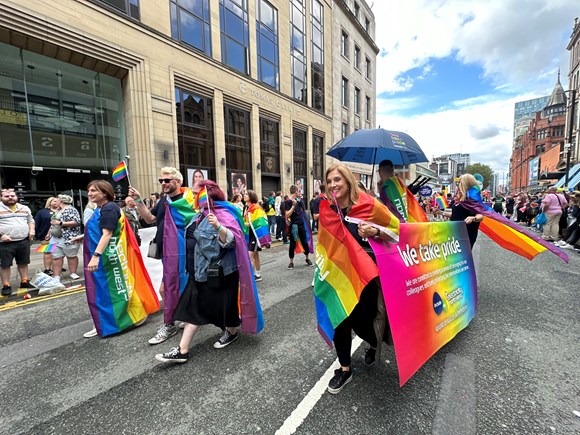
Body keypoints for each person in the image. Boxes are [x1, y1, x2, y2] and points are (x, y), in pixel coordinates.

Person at [155, 180, 264, 363]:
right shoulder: (197, 215)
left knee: (218, 308)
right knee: (199, 308)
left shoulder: (222, 214)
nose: (193, 194)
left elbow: (231, 241)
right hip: (197, 273)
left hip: (219, 274)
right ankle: (187, 348)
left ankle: (222, 335)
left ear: (208, 194)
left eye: (197, 192)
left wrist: (218, 227)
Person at [318, 163, 399, 394]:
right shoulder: (328, 209)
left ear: (347, 181)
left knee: (365, 321)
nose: (333, 185)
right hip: (338, 277)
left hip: (366, 278)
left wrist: (375, 232)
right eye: (329, 181)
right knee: (340, 322)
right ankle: (345, 369)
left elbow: (398, 230)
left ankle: (373, 343)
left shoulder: (368, 204)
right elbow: (324, 244)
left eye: (337, 180)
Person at [83, 180, 158, 338]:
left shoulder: (109, 208)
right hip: (105, 257)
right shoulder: (101, 208)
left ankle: (125, 317)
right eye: (88, 190)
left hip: (107, 258)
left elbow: (108, 233)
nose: (89, 193)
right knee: (104, 291)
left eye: (94, 191)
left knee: (113, 291)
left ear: (104, 193)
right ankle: (103, 322)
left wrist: (95, 256)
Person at [129, 167, 187, 345]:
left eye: (167, 180)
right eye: (161, 181)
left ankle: (170, 323)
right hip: (165, 252)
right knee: (171, 288)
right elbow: (148, 218)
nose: (163, 183)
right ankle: (185, 315)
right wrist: (138, 200)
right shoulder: (163, 201)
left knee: (169, 288)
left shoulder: (186, 201)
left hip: (181, 252)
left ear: (177, 182)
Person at [0, 189, 35, 296]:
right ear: (1, 198)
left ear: (16, 197)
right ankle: (6, 285)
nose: (10, 198)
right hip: (5, 243)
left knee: (23, 262)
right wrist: (1, 236)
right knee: (5, 265)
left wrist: (32, 231)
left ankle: (24, 281)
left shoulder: (24, 208)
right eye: (7, 196)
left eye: (12, 196)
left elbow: (30, 221)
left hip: (23, 241)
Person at [49, 194, 82, 282]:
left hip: (68, 237)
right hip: (55, 238)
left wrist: (60, 223)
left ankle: (73, 273)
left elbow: (76, 222)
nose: (56, 202)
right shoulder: (57, 210)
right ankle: (56, 276)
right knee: (56, 257)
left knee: (71, 256)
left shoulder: (71, 209)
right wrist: (49, 232)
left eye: (57, 200)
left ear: (61, 201)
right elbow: (53, 222)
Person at [448, 174, 484, 248]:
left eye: (460, 183)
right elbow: (457, 214)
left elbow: (480, 216)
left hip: (466, 234)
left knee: (462, 257)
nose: (458, 185)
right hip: (455, 232)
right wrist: (440, 212)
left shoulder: (472, 198)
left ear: (466, 184)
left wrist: (473, 218)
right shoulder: (461, 198)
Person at [243, 190, 271, 282]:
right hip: (249, 235)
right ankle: (258, 274)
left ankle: (250, 277)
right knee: (255, 256)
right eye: (244, 194)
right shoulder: (246, 207)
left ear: (251, 196)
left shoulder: (256, 207)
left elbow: (261, 222)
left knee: (250, 255)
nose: (244, 195)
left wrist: (249, 224)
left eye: (247, 194)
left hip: (255, 235)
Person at [284, 185, 313, 269]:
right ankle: (291, 262)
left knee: (304, 242)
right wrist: (293, 206)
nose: (298, 193)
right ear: (296, 191)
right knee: (292, 244)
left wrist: (301, 201)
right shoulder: (288, 202)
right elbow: (287, 214)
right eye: (298, 191)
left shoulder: (300, 200)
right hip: (293, 225)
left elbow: (304, 211)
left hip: (301, 224)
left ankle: (307, 259)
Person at [35, 196, 59, 276]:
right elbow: (37, 223)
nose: (56, 203)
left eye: (57, 201)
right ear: (49, 202)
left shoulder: (62, 211)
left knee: (59, 253)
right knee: (48, 252)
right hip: (46, 236)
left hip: (60, 236)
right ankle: (47, 269)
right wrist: (38, 234)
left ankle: (57, 266)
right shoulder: (42, 212)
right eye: (54, 201)